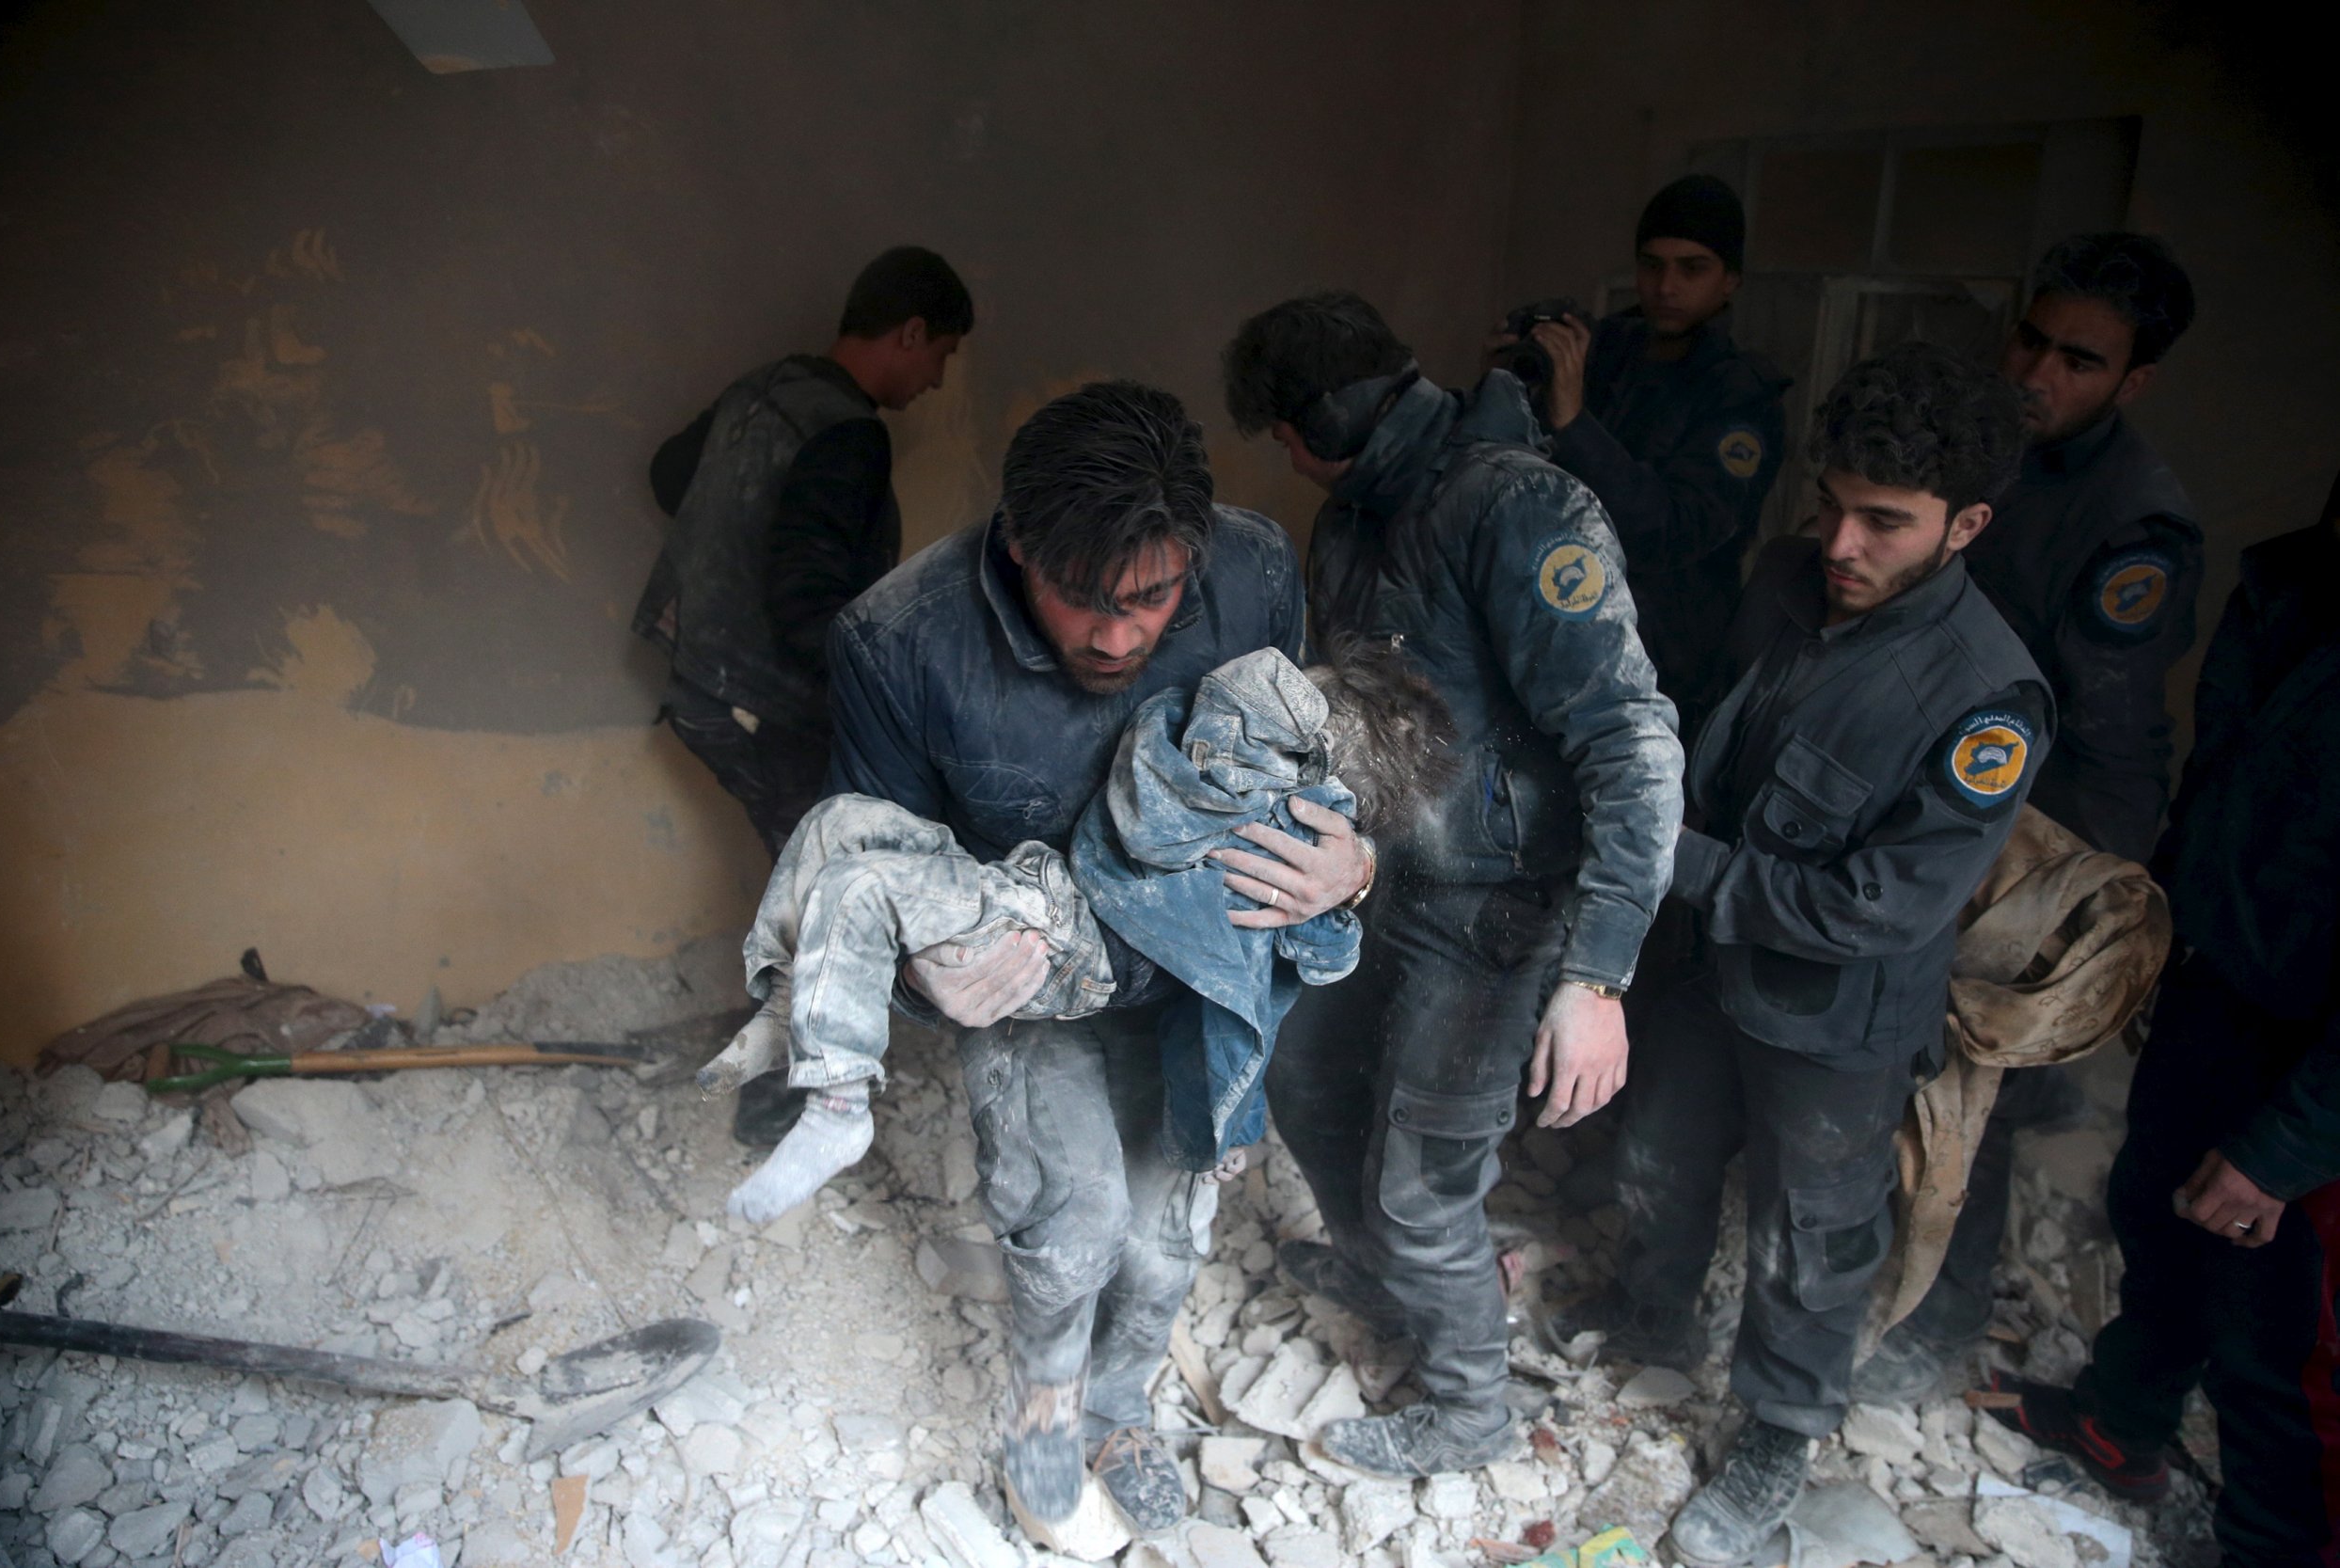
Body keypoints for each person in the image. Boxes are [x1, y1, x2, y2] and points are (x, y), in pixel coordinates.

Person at [820, 381, 1373, 1533]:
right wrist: (928, 973)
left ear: (1198, 556)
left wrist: (1348, 863)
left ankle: (1120, 1407)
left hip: (1202, 973)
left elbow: (1298, 764)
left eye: (1153, 597)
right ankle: (1046, 1401)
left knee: (1166, 1243)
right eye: (1080, 600)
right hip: (1035, 988)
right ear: (1018, 544)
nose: (1118, 635)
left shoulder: (1259, 569)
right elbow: (873, 881)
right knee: (1071, 1230)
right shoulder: (897, 640)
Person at [1557, 343, 2048, 1564]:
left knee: (1811, 1231)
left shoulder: (1989, 696)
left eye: (1887, 522)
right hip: (1712, 965)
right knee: (1661, 1147)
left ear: (1965, 524)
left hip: (1837, 1014)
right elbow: (1715, 714)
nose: (1841, 544)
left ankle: (1780, 1426)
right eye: (1831, 504)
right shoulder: (1785, 577)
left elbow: (1879, 906)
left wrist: (1680, 859)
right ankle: (1649, 1306)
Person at [1223, 292, 1685, 1479]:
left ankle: (1471, 1407)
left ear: (1323, 418)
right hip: (1381, 878)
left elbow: (1629, 741)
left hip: (1498, 912)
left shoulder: (1519, 505)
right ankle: (1400, 1286)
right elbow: (1370, 720)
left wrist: (1597, 971)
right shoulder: (1354, 518)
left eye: (1283, 428)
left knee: (1426, 1181)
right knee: (1310, 1079)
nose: (1282, 453)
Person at [698, 641, 1452, 1226]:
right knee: (840, 823)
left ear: (1313, 777)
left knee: (861, 886)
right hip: (1038, 891)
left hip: (1067, 946)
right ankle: (788, 1007)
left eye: (1278, 726)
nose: (1236, 722)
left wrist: (1227, 1134)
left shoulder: (1256, 831)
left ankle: (838, 1108)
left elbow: (1252, 1001)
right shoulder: (1238, 782)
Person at [1857, 233, 2201, 1401]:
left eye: (2078, 360)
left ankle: (1935, 1323)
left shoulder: (2132, 525)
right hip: (1944, 794)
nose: (2037, 372)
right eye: (2030, 339)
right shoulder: (1995, 449)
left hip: (2045, 828)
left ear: (2131, 380)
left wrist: (2002, 888)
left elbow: (2090, 732)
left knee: (1973, 1087)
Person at [1984, 472, 2340, 1566]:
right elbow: (2221, 779)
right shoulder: (2291, 580)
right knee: (2156, 1214)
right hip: (2219, 980)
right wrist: (2161, 951)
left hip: (2310, 1055)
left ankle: (2273, 1545)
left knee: (2276, 1346)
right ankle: (2121, 1422)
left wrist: (2284, 1150)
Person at [629, 245, 972, 1148]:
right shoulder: (849, 433)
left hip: (699, 680)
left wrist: (730, 545)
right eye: (939, 353)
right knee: (825, 889)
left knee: (806, 870)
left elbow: (672, 473)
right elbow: (810, 599)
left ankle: (796, 1068)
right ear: (908, 332)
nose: (936, 380)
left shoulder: (768, 389)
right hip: (758, 698)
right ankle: (784, 1101)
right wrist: (878, 711)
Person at [1498, 173, 1791, 740]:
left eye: (1692, 268)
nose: (1666, 285)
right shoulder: (1607, 348)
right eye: (1652, 265)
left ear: (1730, 280)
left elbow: (1675, 530)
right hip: (1554, 619)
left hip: (1661, 658)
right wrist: (1507, 382)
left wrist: (1574, 422)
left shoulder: (1741, 397)